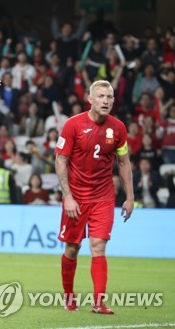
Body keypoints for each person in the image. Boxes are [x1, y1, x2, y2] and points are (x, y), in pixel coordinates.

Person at [55, 80, 134, 314]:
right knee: (72, 248)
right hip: (76, 197)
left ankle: (99, 303)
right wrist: (67, 196)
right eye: (101, 96)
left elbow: (124, 162)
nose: (106, 101)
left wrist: (130, 197)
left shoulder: (118, 128)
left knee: (98, 247)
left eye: (109, 97)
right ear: (90, 99)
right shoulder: (72, 125)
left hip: (103, 196)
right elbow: (61, 160)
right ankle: (69, 297)